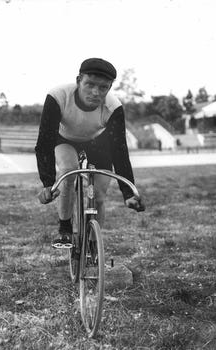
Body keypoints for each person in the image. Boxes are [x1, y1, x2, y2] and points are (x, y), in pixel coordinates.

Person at [35, 57, 145, 248]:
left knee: (100, 196)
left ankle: (93, 247)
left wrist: (128, 193)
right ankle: (65, 230)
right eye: (90, 84)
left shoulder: (113, 107)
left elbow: (119, 150)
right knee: (69, 171)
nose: (96, 92)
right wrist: (47, 183)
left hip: (97, 143)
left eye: (103, 87)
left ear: (110, 88)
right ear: (78, 81)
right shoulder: (58, 96)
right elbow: (45, 141)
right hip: (65, 139)